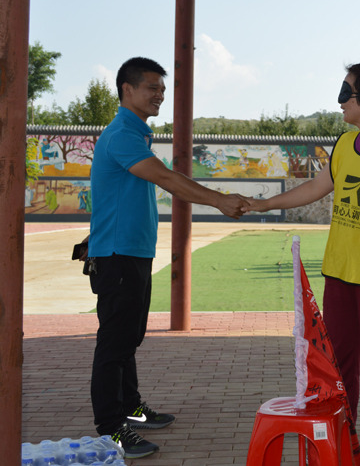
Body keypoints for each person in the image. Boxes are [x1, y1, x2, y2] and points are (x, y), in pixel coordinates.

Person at [245, 61, 360, 466]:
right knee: (339, 364)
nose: (340, 101)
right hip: (340, 272)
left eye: (347, 93)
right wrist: (265, 204)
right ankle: (343, 432)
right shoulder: (345, 144)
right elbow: (316, 186)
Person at [84, 57, 247, 458]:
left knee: (129, 337)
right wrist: (219, 200)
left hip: (132, 253)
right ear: (127, 90)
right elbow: (167, 178)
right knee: (114, 343)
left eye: (162, 89)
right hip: (116, 255)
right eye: (151, 87)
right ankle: (111, 428)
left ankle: (131, 407)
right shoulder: (121, 134)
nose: (159, 95)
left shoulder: (136, 134)